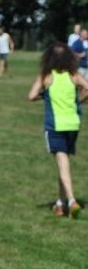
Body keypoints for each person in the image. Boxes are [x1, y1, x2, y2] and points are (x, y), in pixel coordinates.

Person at [28, 41, 88, 219]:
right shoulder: (73, 75)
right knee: (63, 164)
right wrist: (79, 101)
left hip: (55, 125)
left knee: (62, 163)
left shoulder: (46, 76)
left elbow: (31, 96)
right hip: (73, 124)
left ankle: (71, 200)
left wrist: (43, 95)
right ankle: (60, 204)